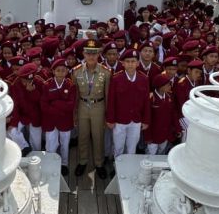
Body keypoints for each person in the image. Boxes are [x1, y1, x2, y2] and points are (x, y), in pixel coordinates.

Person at [72, 40, 111, 177]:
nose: (91, 56)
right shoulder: (76, 71)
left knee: (98, 136)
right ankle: (82, 161)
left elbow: (107, 95)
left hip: (98, 106)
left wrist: (107, 114)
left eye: (94, 53)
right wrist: (74, 113)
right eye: (88, 53)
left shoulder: (106, 72)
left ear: (99, 54)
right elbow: (75, 94)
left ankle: (99, 163)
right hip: (82, 106)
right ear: (83, 54)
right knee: (82, 135)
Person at [107, 49, 151, 159]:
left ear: (138, 63)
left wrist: (146, 120)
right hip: (120, 120)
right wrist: (110, 119)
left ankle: (129, 166)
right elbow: (111, 100)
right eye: (127, 61)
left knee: (132, 147)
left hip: (136, 120)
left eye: (133, 61)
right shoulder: (116, 79)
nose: (130, 64)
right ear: (123, 63)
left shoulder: (143, 79)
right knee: (118, 146)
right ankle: (117, 165)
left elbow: (146, 101)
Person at [41, 59, 77, 175]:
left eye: (63, 70)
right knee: (50, 144)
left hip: (65, 120)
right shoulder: (47, 85)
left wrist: (55, 103)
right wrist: (60, 107)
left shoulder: (70, 85)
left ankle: (64, 164)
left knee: (64, 143)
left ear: (67, 71)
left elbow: (71, 105)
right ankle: (51, 162)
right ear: (53, 71)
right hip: (51, 120)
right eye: (58, 70)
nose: (61, 73)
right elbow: (44, 105)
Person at [143, 73, 180, 154]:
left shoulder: (169, 97)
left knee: (161, 152)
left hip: (165, 134)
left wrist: (177, 128)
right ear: (161, 86)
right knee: (151, 154)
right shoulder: (151, 99)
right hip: (153, 135)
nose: (170, 86)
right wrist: (147, 137)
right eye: (168, 85)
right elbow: (147, 119)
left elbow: (173, 114)